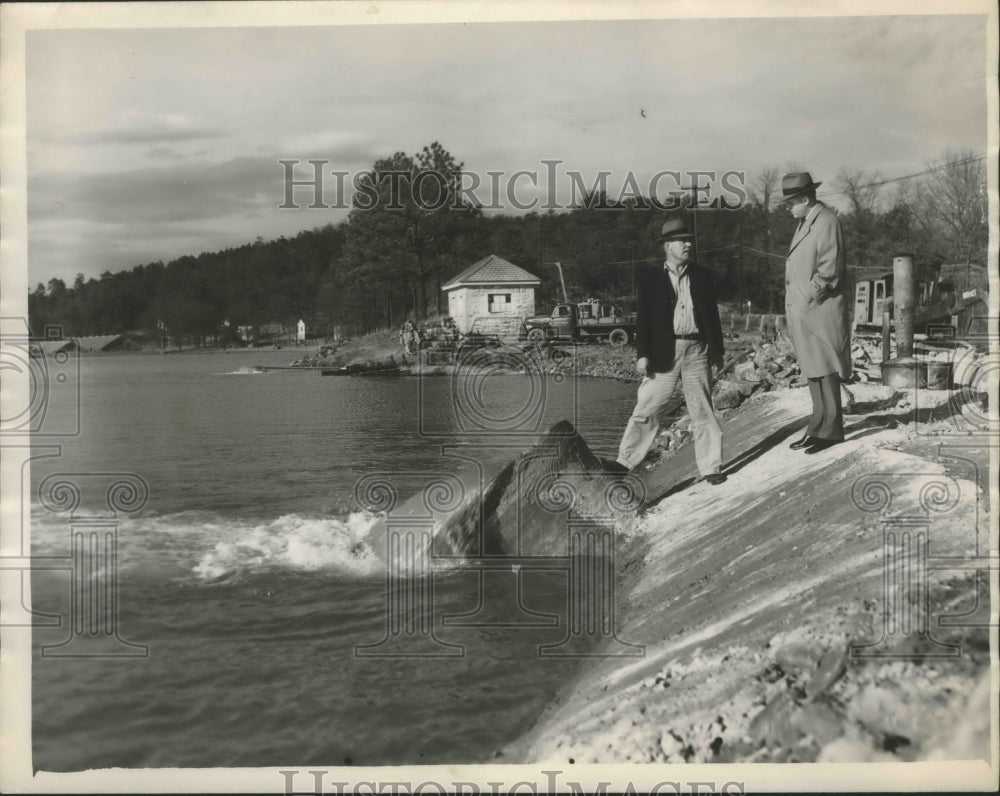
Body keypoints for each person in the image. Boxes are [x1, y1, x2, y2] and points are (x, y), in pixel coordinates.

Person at [612, 213, 726, 484]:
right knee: (647, 408)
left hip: (697, 350)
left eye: (689, 240)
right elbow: (643, 319)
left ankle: (711, 467)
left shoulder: (702, 275)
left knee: (702, 410)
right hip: (664, 351)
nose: (688, 245)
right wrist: (642, 354)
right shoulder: (650, 278)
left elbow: (712, 316)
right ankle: (624, 463)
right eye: (681, 241)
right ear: (667, 246)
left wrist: (718, 350)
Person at [779, 172, 852, 454]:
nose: (788, 208)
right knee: (813, 369)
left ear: (805, 199)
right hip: (803, 308)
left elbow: (830, 267)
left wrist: (811, 295)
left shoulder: (826, 221)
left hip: (819, 308)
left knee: (825, 368)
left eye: (791, 203)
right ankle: (817, 427)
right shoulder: (805, 223)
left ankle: (831, 431)